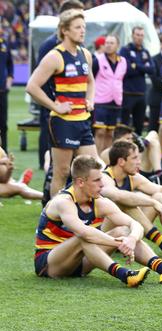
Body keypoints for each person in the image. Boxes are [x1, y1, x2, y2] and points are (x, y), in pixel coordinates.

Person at [34, 155, 162, 287]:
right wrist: (119, 243)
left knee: (124, 230)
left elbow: (135, 224)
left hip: (80, 263)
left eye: (101, 179)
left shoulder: (99, 201)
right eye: (96, 180)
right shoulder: (64, 202)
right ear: (80, 182)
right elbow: (84, 233)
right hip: (50, 264)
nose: (102, 184)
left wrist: (131, 239)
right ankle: (125, 275)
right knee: (84, 236)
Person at [26, 9, 98, 200]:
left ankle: (83, 213)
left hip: (83, 121)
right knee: (63, 171)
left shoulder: (86, 54)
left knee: (92, 167)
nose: (82, 31)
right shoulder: (55, 56)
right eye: (77, 27)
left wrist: (90, 99)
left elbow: (90, 81)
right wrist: (54, 106)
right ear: (65, 30)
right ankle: (54, 218)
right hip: (62, 123)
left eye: (84, 27)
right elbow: (32, 86)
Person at [101, 140, 162, 259]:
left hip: (129, 234)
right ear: (121, 161)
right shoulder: (104, 177)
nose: (139, 162)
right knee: (124, 202)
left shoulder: (132, 177)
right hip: (105, 235)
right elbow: (118, 196)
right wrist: (152, 202)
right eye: (135, 158)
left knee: (159, 196)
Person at [35, 0, 85, 170]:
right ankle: (46, 168)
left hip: (76, 111)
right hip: (55, 106)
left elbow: (89, 77)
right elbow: (38, 79)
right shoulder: (50, 46)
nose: (82, 25)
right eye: (77, 18)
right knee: (57, 165)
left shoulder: (80, 47)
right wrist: (54, 103)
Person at [92, 34, 127, 153]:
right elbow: (90, 79)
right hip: (100, 101)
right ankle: (96, 159)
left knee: (111, 133)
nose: (108, 45)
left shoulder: (123, 61)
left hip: (116, 101)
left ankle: (105, 160)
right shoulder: (98, 60)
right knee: (100, 131)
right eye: (106, 43)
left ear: (117, 45)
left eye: (111, 43)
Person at [119, 26, 153, 135]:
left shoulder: (145, 52)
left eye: (141, 35)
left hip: (141, 94)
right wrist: (142, 67)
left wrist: (135, 65)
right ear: (133, 35)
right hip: (127, 93)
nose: (139, 37)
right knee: (124, 125)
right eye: (137, 35)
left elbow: (151, 69)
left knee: (139, 126)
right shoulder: (125, 50)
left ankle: (136, 149)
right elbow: (127, 69)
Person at [0, 30, 13, 151]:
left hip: (2, 91)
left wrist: (9, 80)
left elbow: (10, 64)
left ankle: (4, 151)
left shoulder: (4, 44)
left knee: (3, 124)